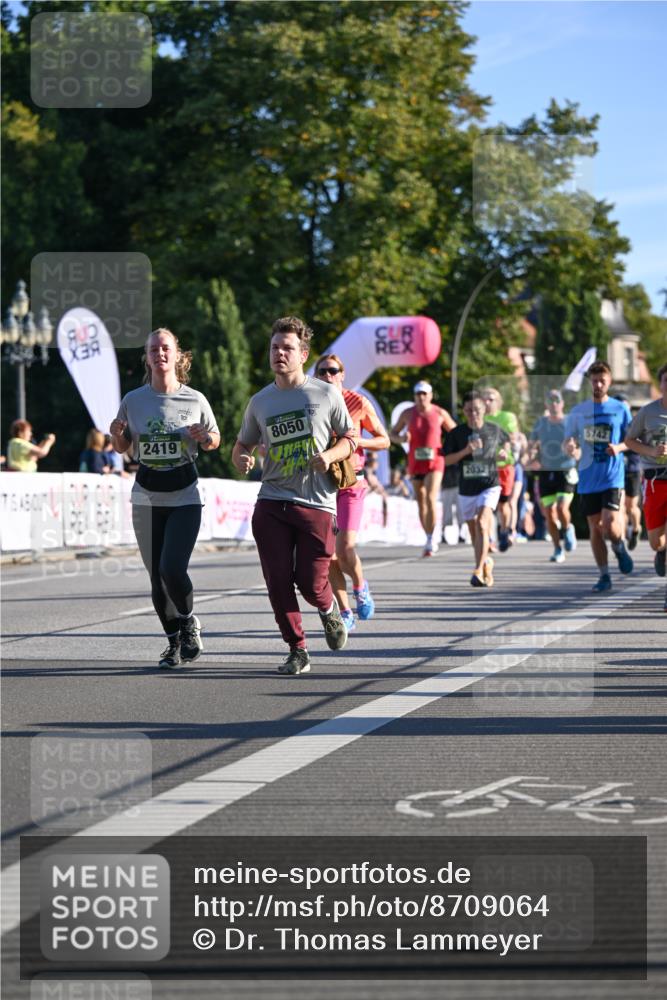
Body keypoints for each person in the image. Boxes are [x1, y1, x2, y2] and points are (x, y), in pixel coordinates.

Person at [233, 316, 357, 675]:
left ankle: (328, 607)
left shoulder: (325, 393)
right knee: (276, 578)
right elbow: (243, 443)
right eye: (274, 348)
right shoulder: (260, 401)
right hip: (271, 500)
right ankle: (297, 648)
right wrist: (241, 456)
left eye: (287, 348)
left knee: (311, 582)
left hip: (317, 503)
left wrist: (330, 456)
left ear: (303, 354)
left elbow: (350, 439)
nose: (279, 354)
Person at [109, 327, 220, 668]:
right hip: (146, 496)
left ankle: (188, 621)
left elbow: (215, 439)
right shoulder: (134, 399)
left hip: (185, 495)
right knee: (156, 579)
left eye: (165, 348)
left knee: (172, 568)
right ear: (147, 357)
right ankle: (173, 644)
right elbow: (123, 446)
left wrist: (204, 437)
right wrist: (117, 434)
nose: (160, 353)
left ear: (177, 355)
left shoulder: (194, 399)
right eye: (153, 349)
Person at [314, 353, 390, 631]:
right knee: (328, 554)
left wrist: (359, 442)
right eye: (322, 371)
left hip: (351, 482)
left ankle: (360, 586)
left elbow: (385, 440)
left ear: (342, 375)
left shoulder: (357, 402)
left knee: (345, 547)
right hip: (322, 485)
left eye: (333, 371)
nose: (327, 376)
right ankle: (345, 611)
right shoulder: (311, 404)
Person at [564, 360, 633, 592]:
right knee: (595, 527)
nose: (598, 384)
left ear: (609, 382)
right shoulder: (578, 412)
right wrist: (570, 448)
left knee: (611, 524)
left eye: (602, 380)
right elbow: (569, 440)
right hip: (587, 477)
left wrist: (619, 447)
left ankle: (619, 546)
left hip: (612, 475)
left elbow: (633, 440)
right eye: (594, 380)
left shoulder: (620, 409)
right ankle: (604, 575)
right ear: (589, 382)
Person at [443, 391, 511, 588]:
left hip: (490, 485)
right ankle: (486, 562)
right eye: (469, 410)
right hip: (467, 488)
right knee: (474, 532)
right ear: (464, 411)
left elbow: (506, 448)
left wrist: (505, 454)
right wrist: (466, 451)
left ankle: (478, 570)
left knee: (483, 523)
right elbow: (446, 460)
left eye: (478, 410)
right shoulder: (456, 434)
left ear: (484, 410)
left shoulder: (494, 430)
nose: (474, 414)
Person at [390, 381, 455, 556]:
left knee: (431, 498)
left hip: (435, 462)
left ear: (431, 395)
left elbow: (455, 432)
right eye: (418, 394)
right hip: (415, 462)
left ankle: (432, 537)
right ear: (414, 396)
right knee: (421, 500)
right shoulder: (407, 413)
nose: (422, 397)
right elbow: (392, 434)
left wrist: (448, 448)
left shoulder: (439, 413)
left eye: (425, 394)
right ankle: (427, 536)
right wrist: (402, 439)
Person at [625, 362, 667, 611]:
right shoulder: (647, 412)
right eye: (665, 381)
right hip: (653, 478)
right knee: (656, 541)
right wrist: (652, 450)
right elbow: (630, 440)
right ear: (660, 384)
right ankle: (661, 552)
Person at [528, 389, 578, 563]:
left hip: (565, 470)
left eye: (557, 400)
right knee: (549, 513)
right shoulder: (540, 423)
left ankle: (568, 527)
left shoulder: (570, 422)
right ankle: (558, 549)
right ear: (546, 404)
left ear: (562, 403)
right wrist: (532, 458)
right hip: (546, 472)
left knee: (562, 509)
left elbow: (579, 448)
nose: (554, 404)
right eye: (550, 401)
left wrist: (574, 451)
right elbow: (532, 445)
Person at [482, 387, 519, 551]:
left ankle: (504, 531)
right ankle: (488, 538)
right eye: (485, 399)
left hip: (504, 466)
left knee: (503, 505)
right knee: (487, 505)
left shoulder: (507, 417)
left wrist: (504, 447)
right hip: (486, 467)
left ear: (498, 401)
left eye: (491, 399)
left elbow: (512, 436)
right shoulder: (479, 419)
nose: (487, 402)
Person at [614, 394, 642, 550]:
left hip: (632, 469)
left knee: (631, 507)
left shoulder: (635, 424)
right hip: (617, 471)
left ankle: (636, 529)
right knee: (619, 507)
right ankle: (622, 540)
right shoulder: (612, 424)